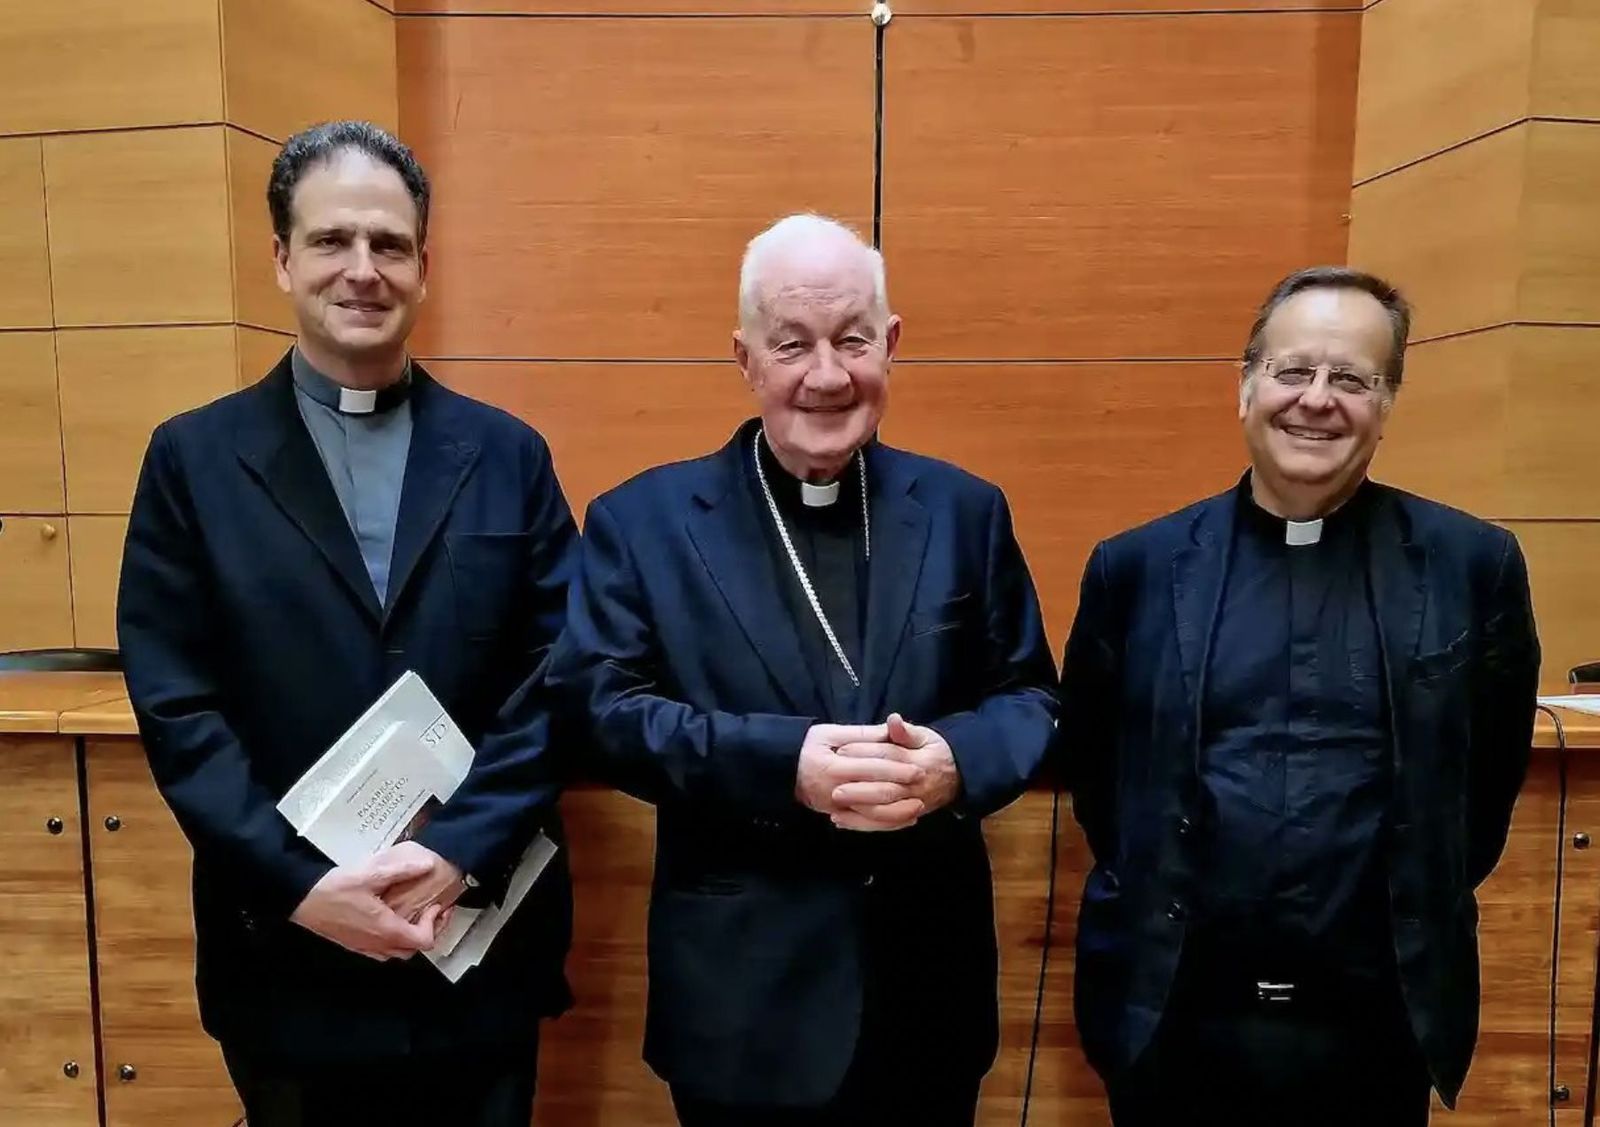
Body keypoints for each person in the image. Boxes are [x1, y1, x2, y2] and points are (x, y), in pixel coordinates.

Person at [545, 213, 1058, 1125]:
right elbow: (601, 709)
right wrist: (785, 766)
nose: (827, 375)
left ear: (890, 344)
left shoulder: (964, 510)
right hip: (743, 1001)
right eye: (793, 344)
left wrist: (954, 764)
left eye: (853, 339)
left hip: (925, 996)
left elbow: (1030, 695)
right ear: (745, 357)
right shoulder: (644, 520)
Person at [117, 120, 578, 1127]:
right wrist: (299, 883)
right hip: (286, 955)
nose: (362, 270)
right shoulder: (191, 463)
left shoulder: (510, 456)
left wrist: (457, 848)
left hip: (473, 935)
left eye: (389, 243)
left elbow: (559, 677)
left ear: (424, 262)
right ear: (280, 256)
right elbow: (177, 705)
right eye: (331, 240)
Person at [1060, 266, 1541, 1125]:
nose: (1317, 400)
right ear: (1245, 386)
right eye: (1293, 371)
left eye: (1352, 378)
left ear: (1387, 404)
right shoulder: (1134, 568)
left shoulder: (1474, 566)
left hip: (1374, 1022)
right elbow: (1101, 781)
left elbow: (1482, 787)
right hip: (1176, 1013)